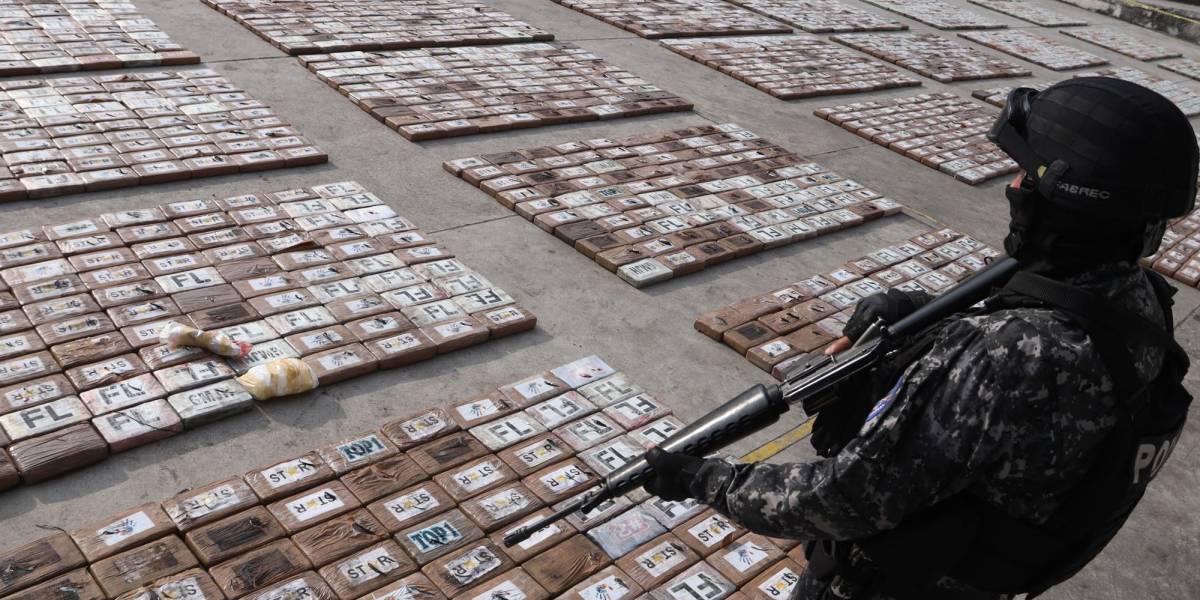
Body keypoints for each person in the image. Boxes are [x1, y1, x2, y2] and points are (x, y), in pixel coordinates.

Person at [643, 77, 1196, 600]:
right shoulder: (1139, 298)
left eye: (1025, 175)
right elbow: (1030, 316)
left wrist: (705, 478)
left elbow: (843, 498)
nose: (1013, 187)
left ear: (1064, 197)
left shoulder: (1006, 354)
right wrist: (921, 314)